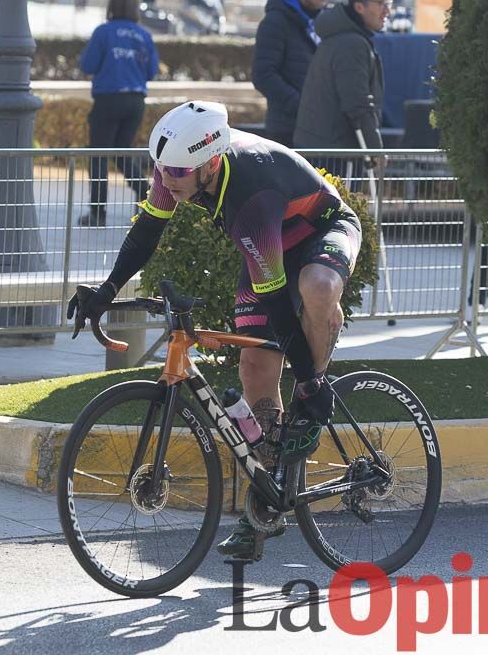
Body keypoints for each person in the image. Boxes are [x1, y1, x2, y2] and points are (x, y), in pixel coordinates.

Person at [67, 101, 362, 562]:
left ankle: (315, 392)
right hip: (269, 246)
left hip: (322, 230)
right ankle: (265, 508)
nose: (166, 180)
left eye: (177, 172)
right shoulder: (179, 169)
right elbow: (146, 232)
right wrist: (106, 290)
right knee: (255, 370)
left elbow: (282, 312)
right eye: (161, 169)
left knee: (316, 286)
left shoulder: (250, 195)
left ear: (210, 162)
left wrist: (306, 378)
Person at [76, 0, 159, 226]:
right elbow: (151, 71)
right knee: (123, 151)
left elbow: (88, 65)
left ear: (111, 5)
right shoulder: (144, 35)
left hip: (108, 99)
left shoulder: (104, 32)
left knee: (99, 154)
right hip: (135, 100)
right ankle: (146, 198)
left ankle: (97, 212)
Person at [293, 0, 389, 178]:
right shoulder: (351, 44)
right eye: (380, 3)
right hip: (336, 153)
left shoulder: (346, 39)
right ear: (359, 7)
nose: (387, 10)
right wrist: (375, 148)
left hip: (325, 148)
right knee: (340, 209)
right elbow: (357, 103)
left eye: (388, 3)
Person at [251, 0, 331, 147]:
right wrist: (301, 106)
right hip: (287, 131)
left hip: (321, 129)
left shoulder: (324, 20)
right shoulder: (275, 23)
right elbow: (263, 75)